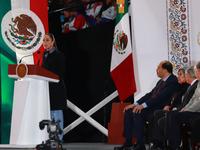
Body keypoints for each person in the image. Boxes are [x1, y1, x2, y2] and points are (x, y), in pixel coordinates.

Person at [114, 61, 178, 150]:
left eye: (158, 68)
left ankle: (139, 144)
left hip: (159, 109)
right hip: (152, 107)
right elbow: (150, 94)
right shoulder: (161, 81)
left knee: (138, 113)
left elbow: (160, 97)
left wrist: (143, 106)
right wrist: (135, 104)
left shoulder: (173, 81)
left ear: (165, 70)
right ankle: (128, 142)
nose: (156, 70)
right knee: (129, 111)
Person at [149, 66, 198, 150]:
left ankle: (174, 146)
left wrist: (181, 109)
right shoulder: (187, 86)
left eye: (182, 74)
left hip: (193, 112)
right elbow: (182, 101)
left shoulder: (194, 85)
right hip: (185, 109)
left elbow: (194, 103)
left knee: (171, 116)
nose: (178, 77)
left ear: (189, 76)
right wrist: (174, 108)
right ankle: (164, 144)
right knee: (160, 116)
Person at [163, 61, 200, 150]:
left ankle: (175, 146)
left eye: (195, 72)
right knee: (170, 114)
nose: (194, 74)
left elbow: (198, 103)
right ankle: (170, 144)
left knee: (174, 116)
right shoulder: (199, 83)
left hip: (196, 112)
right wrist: (184, 108)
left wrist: (187, 110)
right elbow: (193, 100)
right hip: (192, 110)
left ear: (198, 72)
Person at [42, 33, 67, 142]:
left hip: (56, 88)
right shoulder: (44, 55)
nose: (45, 43)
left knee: (57, 113)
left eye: (47, 40)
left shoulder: (58, 55)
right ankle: (51, 137)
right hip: (47, 88)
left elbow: (61, 71)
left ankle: (59, 138)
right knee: (49, 113)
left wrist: (47, 73)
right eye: (43, 40)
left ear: (53, 42)